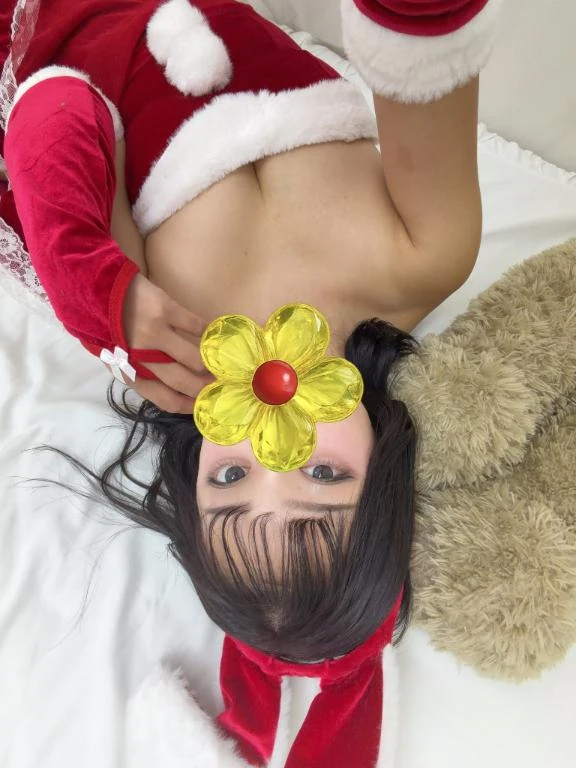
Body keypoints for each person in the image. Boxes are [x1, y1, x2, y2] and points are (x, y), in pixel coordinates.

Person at [0, 1, 501, 764]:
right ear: (384, 473)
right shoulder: (427, 255)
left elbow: (56, 101)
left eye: (231, 477)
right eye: (322, 474)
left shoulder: (156, 340)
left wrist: (90, 288)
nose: (269, 444)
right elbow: (421, 33)